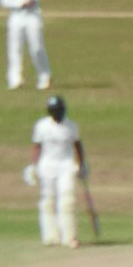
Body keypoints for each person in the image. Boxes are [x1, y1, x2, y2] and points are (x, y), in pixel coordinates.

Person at [30, 93, 86, 248]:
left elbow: (77, 145)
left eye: (59, 110)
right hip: (47, 165)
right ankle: (50, 236)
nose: (58, 114)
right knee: (47, 200)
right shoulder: (42, 126)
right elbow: (37, 146)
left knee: (67, 200)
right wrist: (33, 166)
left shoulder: (71, 126)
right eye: (55, 111)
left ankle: (69, 237)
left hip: (66, 165)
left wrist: (81, 164)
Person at [0, 0, 52, 89]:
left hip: (32, 16)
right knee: (14, 49)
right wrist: (19, 4)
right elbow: (4, 0)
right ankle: (15, 79)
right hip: (16, 17)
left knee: (37, 48)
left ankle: (44, 77)